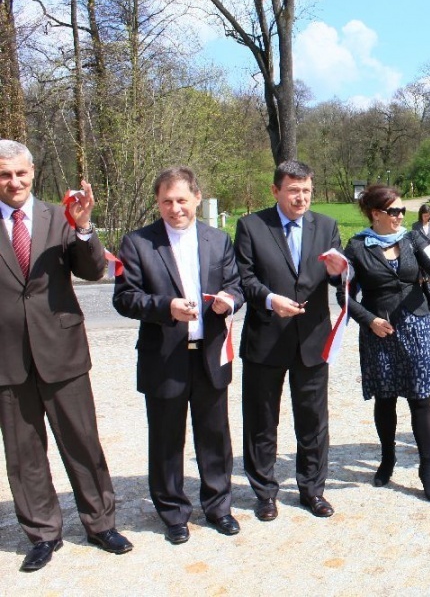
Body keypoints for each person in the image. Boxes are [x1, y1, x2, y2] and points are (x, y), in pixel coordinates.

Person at [0, 139, 132, 572]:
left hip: (62, 348)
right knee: (23, 452)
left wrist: (84, 226)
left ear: (33, 172)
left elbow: (93, 270)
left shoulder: (61, 217)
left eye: (20, 173)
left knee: (81, 440)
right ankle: (42, 533)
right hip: (6, 357)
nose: (13, 181)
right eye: (4, 174)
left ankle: (100, 523)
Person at [113, 167, 244, 544]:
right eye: (167, 201)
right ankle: (173, 513)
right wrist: (165, 306)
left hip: (209, 353)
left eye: (182, 200)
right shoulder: (138, 243)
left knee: (214, 436)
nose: (175, 208)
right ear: (158, 202)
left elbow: (236, 285)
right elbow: (124, 298)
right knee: (167, 439)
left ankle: (218, 507)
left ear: (197, 199)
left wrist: (229, 301)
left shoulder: (218, 240)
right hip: (164, 356)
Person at [235, 161, 348, 520]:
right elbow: (244, 278)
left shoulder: (327, 226)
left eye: (307, 191)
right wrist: (270, 299)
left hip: (313, 339)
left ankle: (312, 490)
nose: (301, 198)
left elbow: (340, 280)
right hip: (266, 338)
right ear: (276, 191)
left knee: (313, 421)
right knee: (262, 420)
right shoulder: (251, 226)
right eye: (294, 190)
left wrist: (339, 274)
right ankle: (264, 492)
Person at [341, 186, 430, 501]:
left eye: (402, 211)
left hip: (417, 324)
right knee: (385, 399)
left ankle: (427, 467)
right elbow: (342, 294)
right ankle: (388, 458)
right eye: (395, 211)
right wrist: (368, 319)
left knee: (420, 398)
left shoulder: (412, 238)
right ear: (376, 214)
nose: (401, 216)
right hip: (379, 329)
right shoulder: (357, 246)